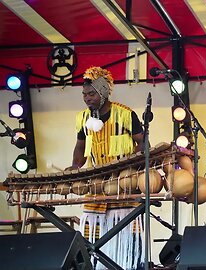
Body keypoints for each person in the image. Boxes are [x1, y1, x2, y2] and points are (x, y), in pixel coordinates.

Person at [67, 66, 144, 269]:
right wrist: (75, 166)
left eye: (91, 93)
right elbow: (80, 146)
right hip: (97, 190)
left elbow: (143, 143)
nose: (87, 98)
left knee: (128, 243)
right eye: (84, 94)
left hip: (125, 188)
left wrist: (130, 165)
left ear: (103, 91)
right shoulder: (83, 118)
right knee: (92, 242)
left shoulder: (126, 115)